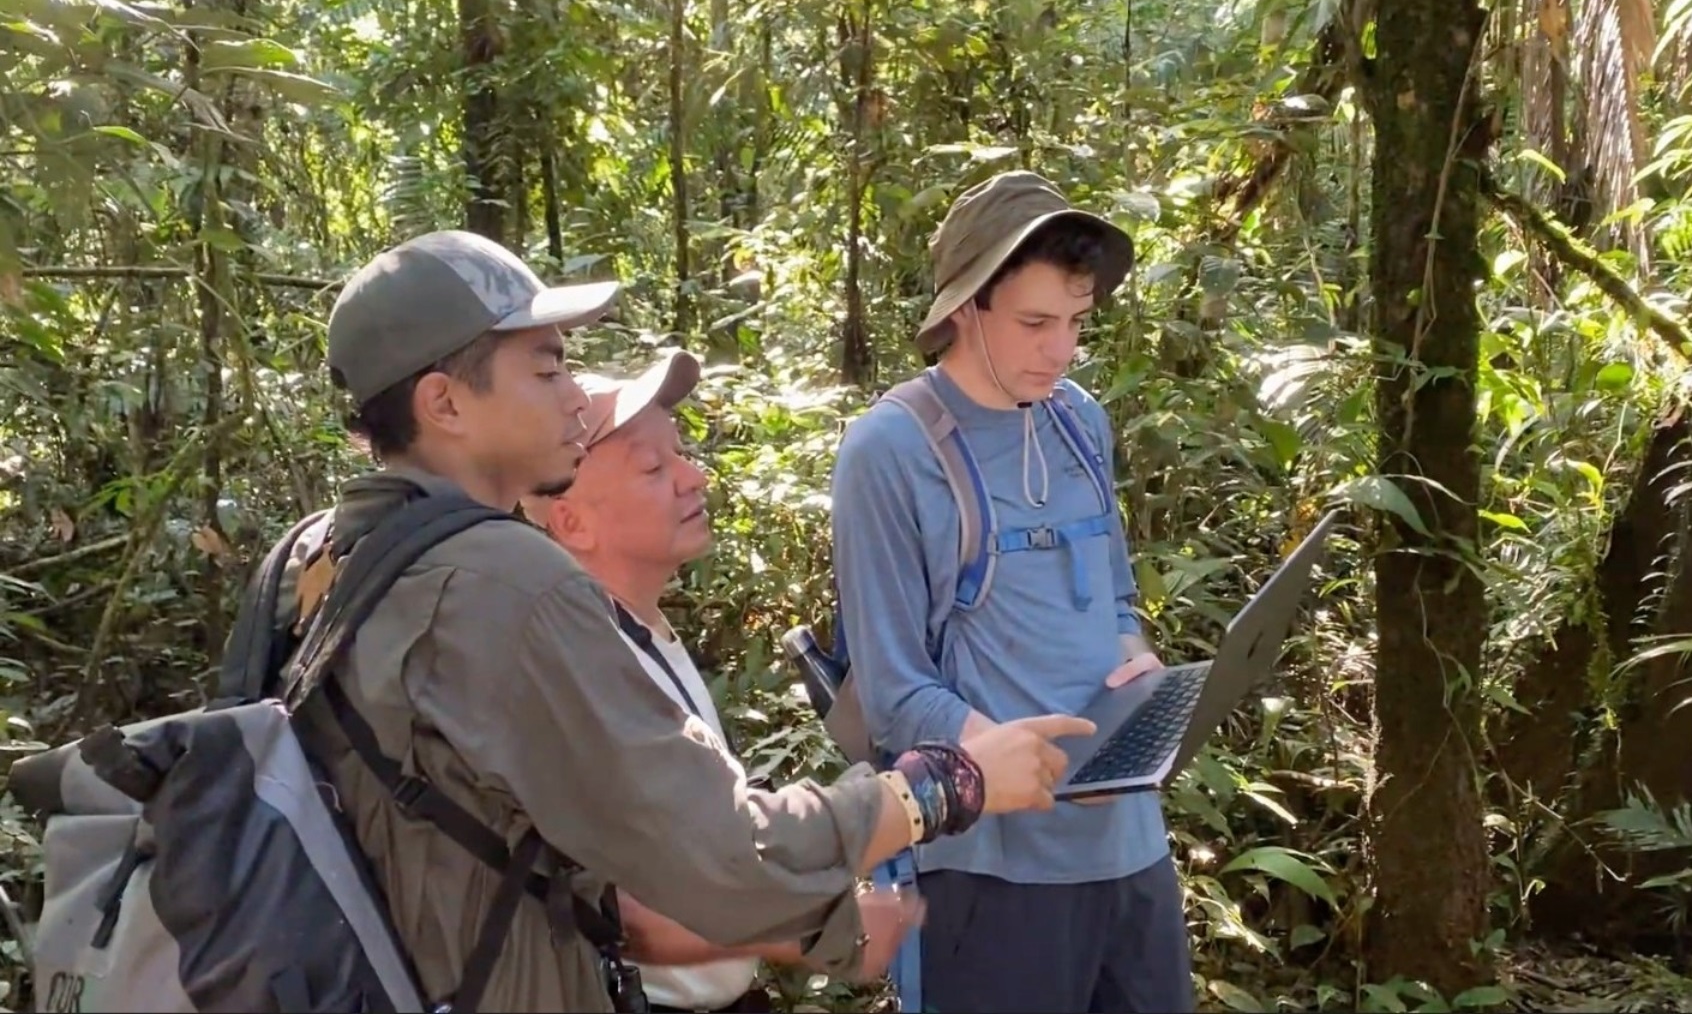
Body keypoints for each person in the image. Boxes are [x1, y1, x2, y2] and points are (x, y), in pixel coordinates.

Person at [291, 228, 1098, 1012]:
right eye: (547, 371)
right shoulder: (503, 581)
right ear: (444, 403)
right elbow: (721, 853)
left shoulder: (322, 555)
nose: (574, 397)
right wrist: (941, 786)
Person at [829, 171, 1196, 1012]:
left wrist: (1136, 661)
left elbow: (1115, 602)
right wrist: (1006, 763)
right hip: (992, 873)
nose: (1059, 350)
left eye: (1075, 323)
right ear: (965, 308)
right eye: (1035, 323)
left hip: (1130, 847)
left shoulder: (1079, 421)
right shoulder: (891, 451)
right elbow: (893, 693)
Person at [521, 354, 912, 1012]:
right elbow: (634, 917)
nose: (693, 476)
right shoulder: (588, 671)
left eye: (681, 452)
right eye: (652, 467)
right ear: (571, 523)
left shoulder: (642, 634)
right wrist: (818, 932)